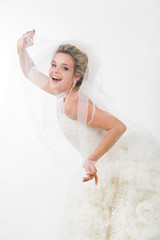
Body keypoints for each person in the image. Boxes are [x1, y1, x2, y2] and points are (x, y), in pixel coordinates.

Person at [17, 30, 160, 240]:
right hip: (100, 166)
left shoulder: (73, 105)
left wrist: (91, 159)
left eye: (64, 68)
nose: (54, 72)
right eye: (54, 64)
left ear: (77, 77)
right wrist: (20, 47)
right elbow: (30, 72)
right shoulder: (63, 92)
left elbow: (118, 127)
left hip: (115, 165)